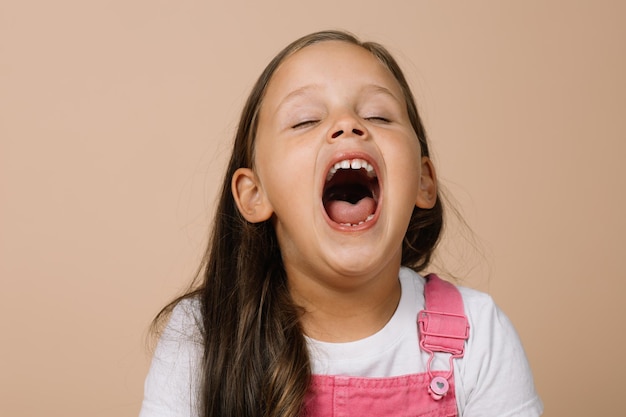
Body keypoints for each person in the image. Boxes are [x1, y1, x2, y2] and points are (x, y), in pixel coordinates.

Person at [138, 30, 543, 417]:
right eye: (305, 120)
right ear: (254, 193)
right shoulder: (203, 337)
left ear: (423, 181)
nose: (349, 125)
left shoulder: (478, 332)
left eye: (378, 116)